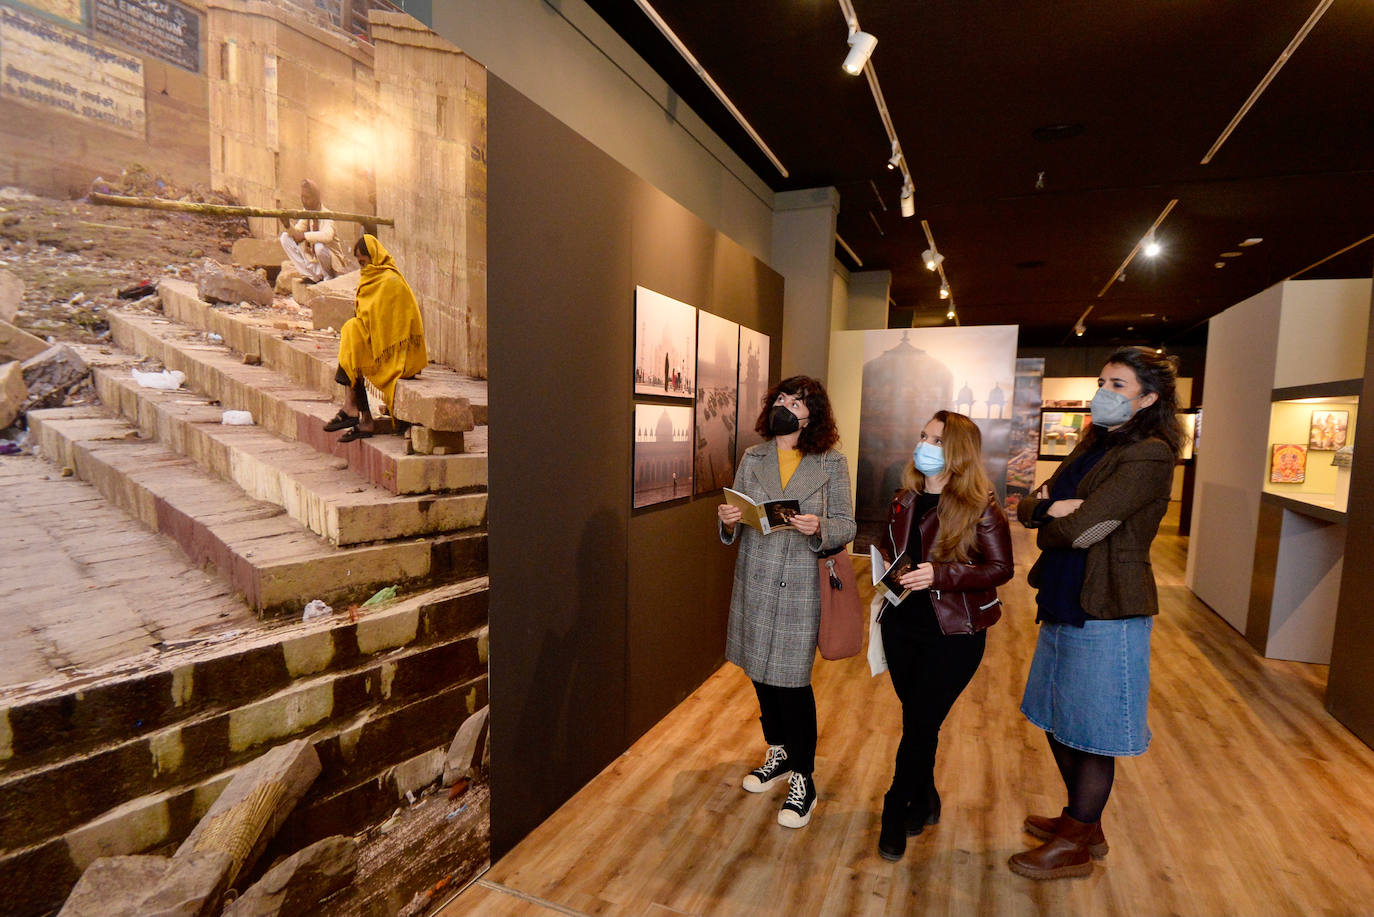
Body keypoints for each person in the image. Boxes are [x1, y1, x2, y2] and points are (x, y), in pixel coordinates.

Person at [1010, 347, 1185, 879]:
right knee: (1056, 716)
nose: (1104, 392)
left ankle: (1078, 841)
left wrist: (1058, 515)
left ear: (1149, 398)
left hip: (1108, 604)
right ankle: (1080, 820)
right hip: (1065, 593)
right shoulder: (1096, 443)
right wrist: (1046, 509)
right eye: (1104, 380)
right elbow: (1028, 501)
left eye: (1119, 385)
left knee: (1091, 728)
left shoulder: (1150, 455)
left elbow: (1086, 528)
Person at [871, 410, 1013, 861]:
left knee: (919, 721)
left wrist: (942, 574)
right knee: (919, 720)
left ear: (957, 453)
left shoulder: (981, 507)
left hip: (952, 633)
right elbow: (892, 548)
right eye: (922, 436)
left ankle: (895, 807)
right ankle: (925, 796)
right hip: (901, 624)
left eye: (935, 439)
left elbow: (1000, 569)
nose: (924, 445)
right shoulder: (904, 498)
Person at [717, 376, 855, 829]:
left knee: (792, 684)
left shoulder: (831, 462)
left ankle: (804, 778)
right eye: (781, 398)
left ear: (813, 413)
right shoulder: (752, 456)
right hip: (754, 581)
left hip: (800, 586)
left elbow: (847, 524)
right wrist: (729, 519)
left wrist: (821, 528)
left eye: (797, 401)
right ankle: (775, 752)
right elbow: (735, 517)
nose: (786, 406)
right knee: (759, 674)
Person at [322, 235, 427, 442]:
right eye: (360, 264)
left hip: (401, 356)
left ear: (375, 257)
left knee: (353, 338)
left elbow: (392, 328)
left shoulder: (390, 281)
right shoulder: (372, 280)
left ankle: (354, 410)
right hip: (384, 349)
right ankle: (362, 417)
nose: (363, 268)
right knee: (352, 338)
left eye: (364, 262)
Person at [279, 179, 351, 283]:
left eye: (307, 198)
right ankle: (313, 277)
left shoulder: (327, 215)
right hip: (314, 261)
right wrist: (287, 225)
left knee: (319, 247)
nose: (304, 201)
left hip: (332, 265)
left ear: (316, 198)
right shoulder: (307, 213)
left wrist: (304, 236)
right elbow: (296, 233)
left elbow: (327, 236)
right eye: (302, 197)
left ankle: (328, 278)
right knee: (285, 238)